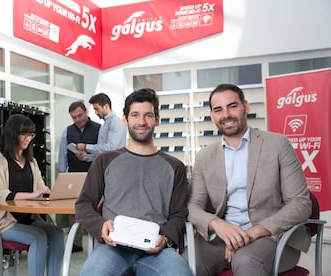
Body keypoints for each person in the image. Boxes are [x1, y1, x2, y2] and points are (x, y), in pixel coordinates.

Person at [188, 83, 311, 276]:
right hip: (223, 237)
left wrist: (254, 232)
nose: (226, 114)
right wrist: (218, 225)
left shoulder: (278, 144)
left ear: (246, 106)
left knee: (245, 261)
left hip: (271, 236)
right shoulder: (205, 156)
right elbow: (193, 206)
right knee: (184, 262)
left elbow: (300, 203)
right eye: (218, 110)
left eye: (232, 106)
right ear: (212, 116)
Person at [75, 88, 192, 275]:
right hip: (113, 248)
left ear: (157, 120)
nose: (141, 122)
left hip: (156, 251)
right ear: (125, 119)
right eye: (135, 115)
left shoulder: (175, 167)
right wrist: (100, 225)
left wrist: (166, 238)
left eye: (148, 115)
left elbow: (179, 214)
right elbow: (83, 204)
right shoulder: (104, 161)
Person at [0, 114, 64, 276]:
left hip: (28, 220)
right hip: (1, 224)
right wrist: (33, 194)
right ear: (12, 134)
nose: (28, 138)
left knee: (57, 233)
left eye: (31, 134)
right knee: (38, 237)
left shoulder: (32, 161)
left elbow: (40, 186)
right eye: (24, 134)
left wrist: (47, 192)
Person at [58, 101, 101, 252]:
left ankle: (97, 244)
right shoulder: (67, 131)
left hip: (94, 174)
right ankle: (75, 244)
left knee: (94, 208)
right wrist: (61, 176)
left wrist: (88, 156)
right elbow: (63, 154)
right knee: (73, 209)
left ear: (86, 112)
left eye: (79, 115)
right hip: (74, 175)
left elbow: (102, 152)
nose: (77, 120)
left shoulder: (98, 129)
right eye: (74, 117)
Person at [75, 92, 127, 160]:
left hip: (114, 166)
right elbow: (102, 153)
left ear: (106, 106)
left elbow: (111, 148)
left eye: (97, 109)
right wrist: (87, 157)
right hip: (106, 165)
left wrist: (85, 147)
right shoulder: (105, 124)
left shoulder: (115, 122)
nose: (95, 112)